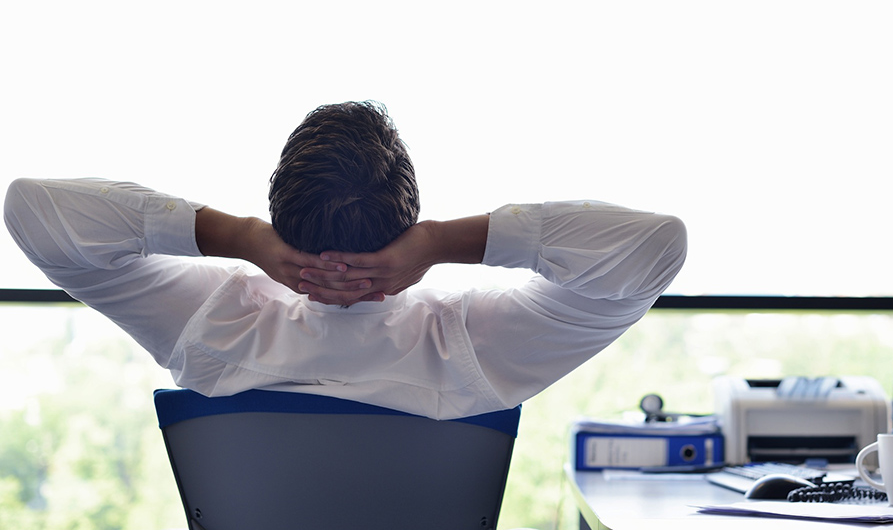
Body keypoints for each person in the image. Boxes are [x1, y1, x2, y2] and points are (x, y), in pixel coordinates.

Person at [4, 101, 687, 420]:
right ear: (407, 220)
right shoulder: (475, 350)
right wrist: (443, 242)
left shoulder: (212, 329)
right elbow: (655, 247)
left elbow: (31, 210)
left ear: (279, 218)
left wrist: (239, 237)